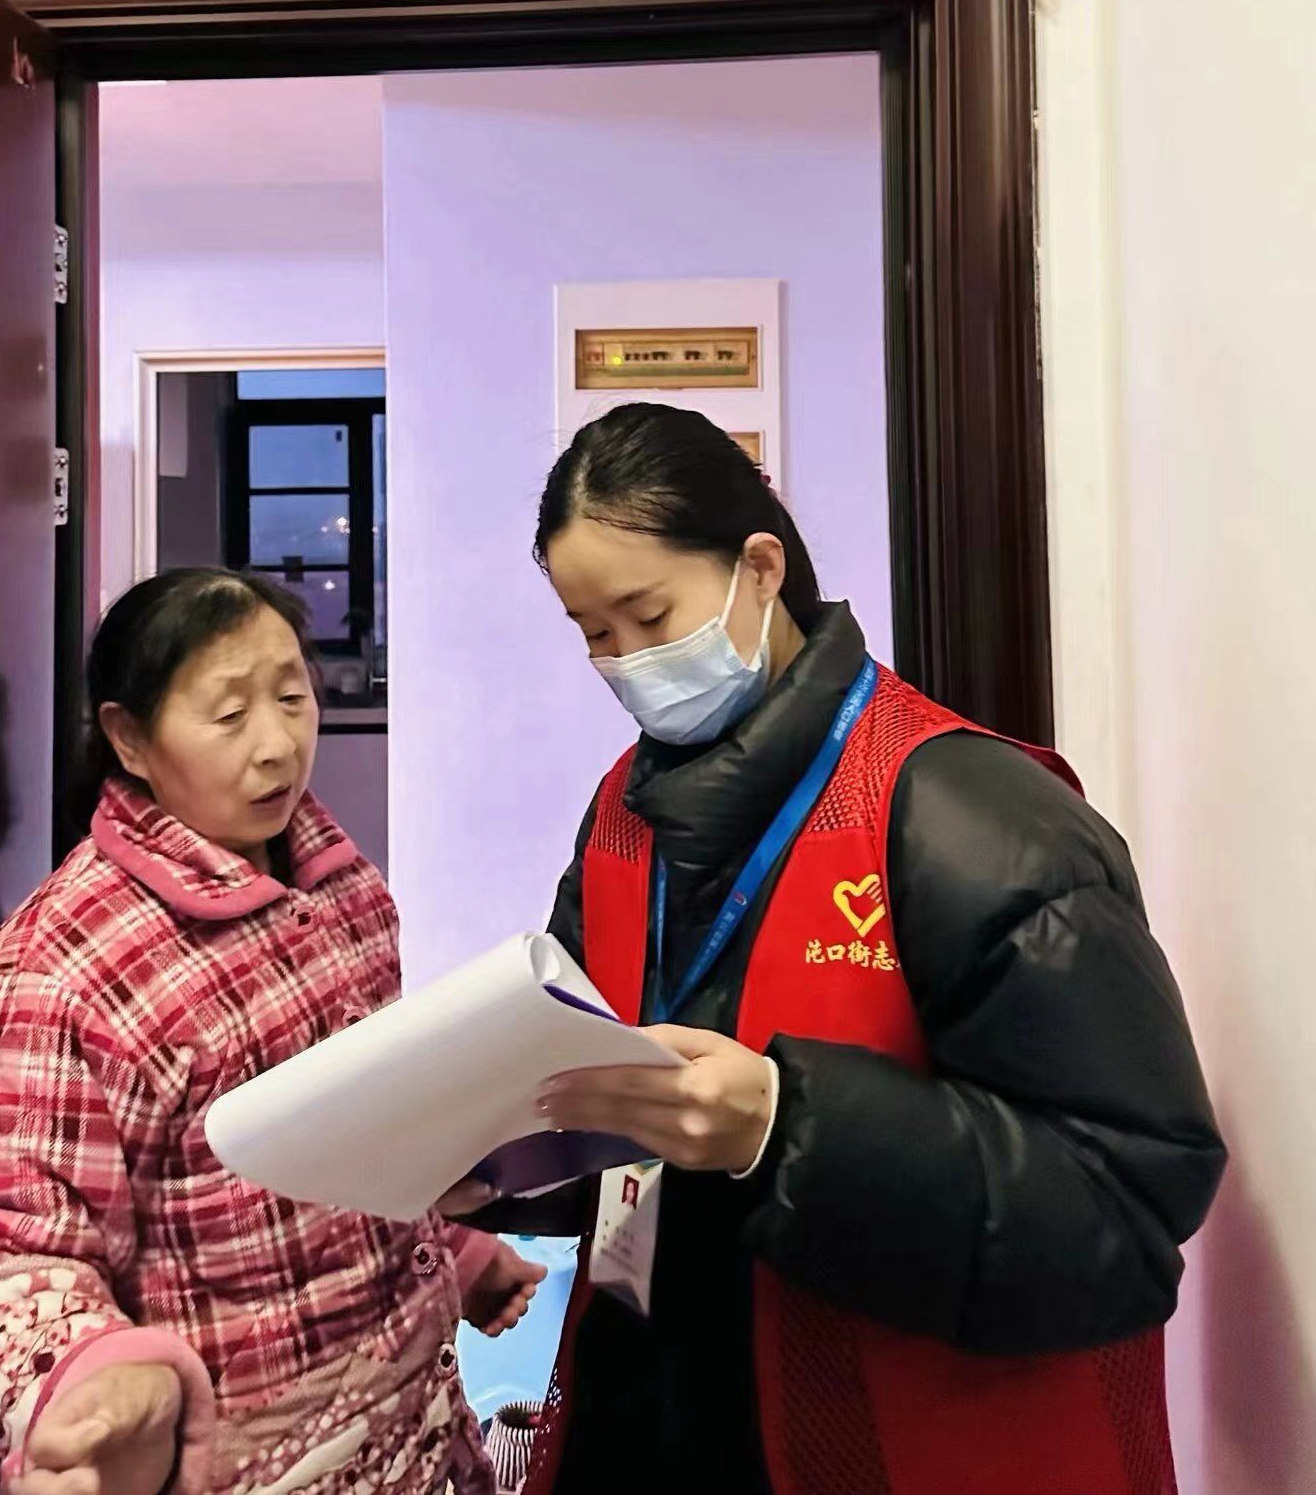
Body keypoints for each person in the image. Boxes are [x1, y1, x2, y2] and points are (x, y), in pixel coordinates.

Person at [471, 403, 1225, 1495]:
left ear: (759, 568)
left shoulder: (971, 813)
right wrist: (494, 1168)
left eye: (649, 615)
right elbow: (596, 1081)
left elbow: (1123, 1209)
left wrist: (782, 1124)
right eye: (594, 633)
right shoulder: (625, 814)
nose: (626, 662)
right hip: (656, 1397)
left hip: (899, 1429)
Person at [0, 568, 543, 1495]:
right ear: (129, 739)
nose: (277, 746)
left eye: (292, 698)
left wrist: (452, 1255)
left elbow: (351, 1151)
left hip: (417, 1440)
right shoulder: (60, 971)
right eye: (228, 714)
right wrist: (79, 1393)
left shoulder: (339, 887)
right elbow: (2, 1260)